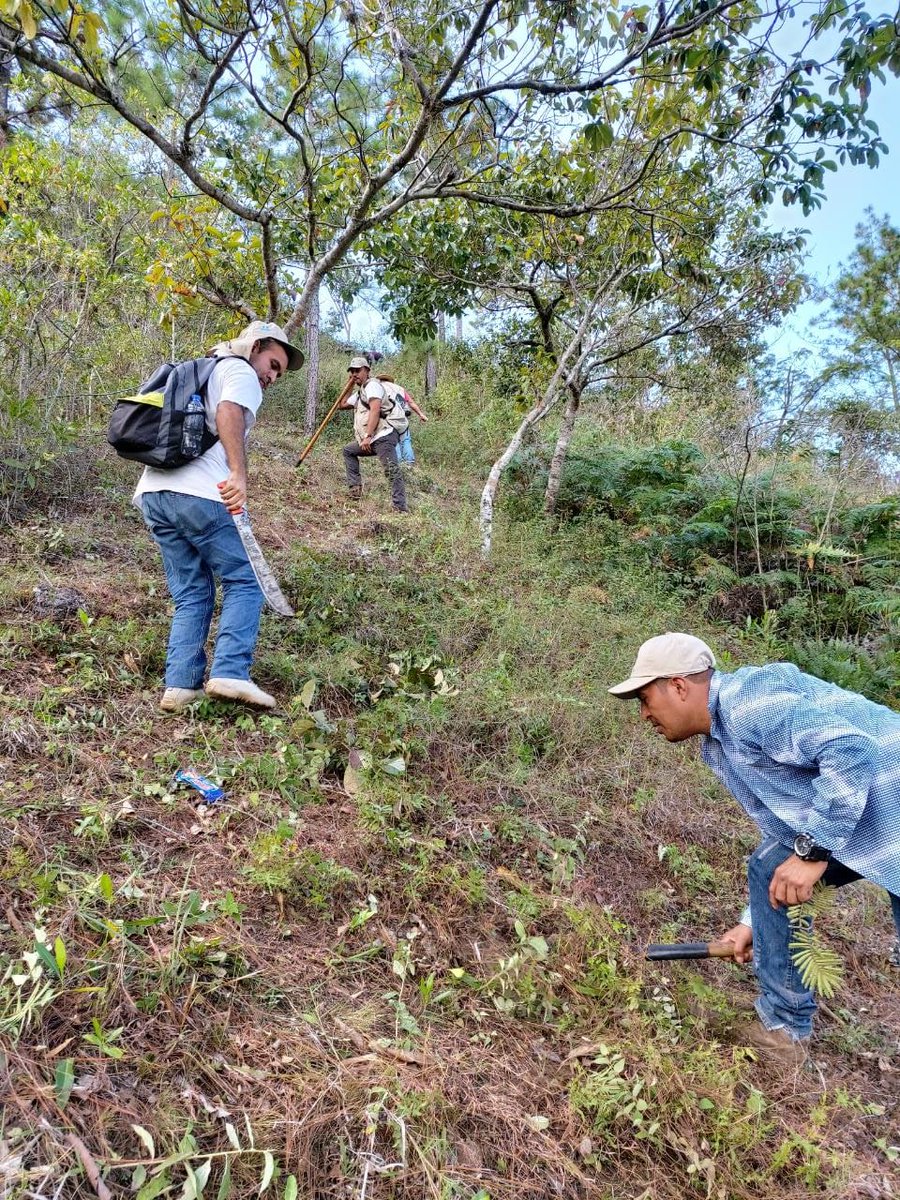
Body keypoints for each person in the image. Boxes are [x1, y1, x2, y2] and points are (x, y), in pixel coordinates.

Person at [608, 632, 900, 1064]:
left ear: (679, 686)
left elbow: (851, 751)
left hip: (888, 802)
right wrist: (755, 922)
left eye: (645, 699)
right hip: (874, 815)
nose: (644, 714)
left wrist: (813, 852)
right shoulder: (720, 744)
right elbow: (786, 833)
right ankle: (785, 1027)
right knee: (771, 866)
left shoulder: (748, 705)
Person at [135, 320, 303, 713]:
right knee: (246, 579)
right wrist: (238, 474)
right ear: (256, 346)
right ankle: (230, 671)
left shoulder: (204, 370)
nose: (272, 376)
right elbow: (229, 412)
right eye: (273, 364)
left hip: (155, 494)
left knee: (192, 592)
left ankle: (181, 686)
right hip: (200, 495)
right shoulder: (240, 371)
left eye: (279, 373)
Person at [339, 355, 408, 512]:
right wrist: (350, 384)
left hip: (383, 435)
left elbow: (375, 410)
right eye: (352, 371)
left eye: (358, 371)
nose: (355, 374)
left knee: (391, 469)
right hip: (371, 439)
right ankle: (355, 489)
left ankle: (400, 507)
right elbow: (342, 404)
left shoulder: (373, 386)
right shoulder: (360, 393)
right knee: (348, 451)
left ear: (367, 370)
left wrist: (368, 436)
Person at [375, 373, 428, 466]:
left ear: (379, 380)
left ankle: (398, 463)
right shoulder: (399, 388)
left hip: (389, 419)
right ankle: (409, 463)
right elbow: (411, 403)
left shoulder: (379, 388)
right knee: (406, 440)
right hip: (403, 419)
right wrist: (421, 414)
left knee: (394, 441)